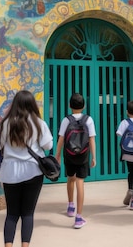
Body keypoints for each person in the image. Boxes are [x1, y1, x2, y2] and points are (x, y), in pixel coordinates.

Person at [0, 90, 53, 247]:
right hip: (33, 171)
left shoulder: (6, 123)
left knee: (12, 214)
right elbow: (48, 145)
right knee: (27, 213)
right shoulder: (39, 123)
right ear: (32, 104)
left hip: (9, 172)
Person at [55, 93, 96, 229]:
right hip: (83, 155)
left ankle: (70, 206)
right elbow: (91, 139)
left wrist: (58, 155)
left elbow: (61, 138)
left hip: (69, 154)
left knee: (70, 178)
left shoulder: (66, 120)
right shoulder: (88, 120)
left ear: (69, 106)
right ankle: (79, 217)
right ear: (84, 106)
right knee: (80, 181)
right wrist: (94, 157)